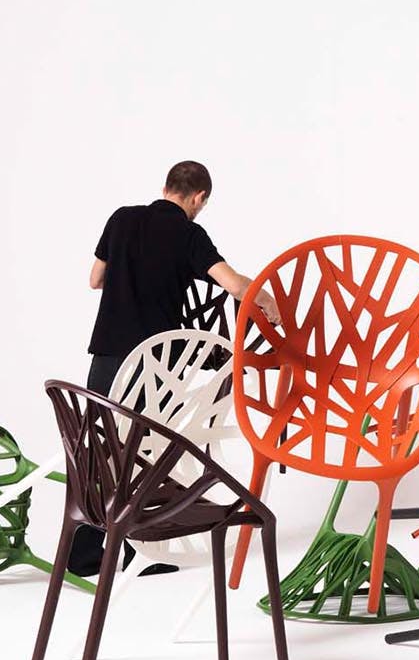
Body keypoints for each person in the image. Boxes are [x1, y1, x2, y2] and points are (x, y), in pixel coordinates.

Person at [68, 160, 281, 576]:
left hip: (108, 352)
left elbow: (95, 279)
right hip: (156, 362)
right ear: (199, 197)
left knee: (101, 446)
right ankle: (145, 548)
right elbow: (233, 284)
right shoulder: (189, 234)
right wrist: (267, 300)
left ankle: (86, 551)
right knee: (146, 451)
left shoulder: (122, 219)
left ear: (166, 187)